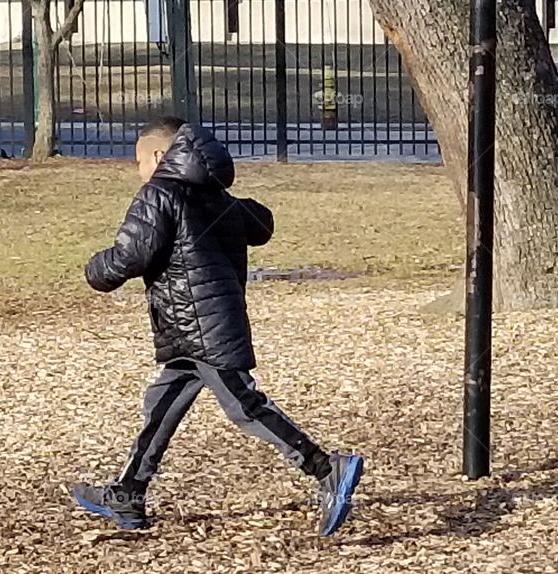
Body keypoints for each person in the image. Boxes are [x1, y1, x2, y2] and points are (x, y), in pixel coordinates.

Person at [71, 116, 364, 536]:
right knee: (162, 405)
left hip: (201, 326)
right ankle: (129, 493)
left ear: (159, 155)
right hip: (192, 327)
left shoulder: (160, 193)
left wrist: (95, 268)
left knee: (244, 406)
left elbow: (130, 256)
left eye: (138, 160)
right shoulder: (211, 195)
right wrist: (225, 204)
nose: (136, 170)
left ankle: (326, 468)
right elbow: (260, 224)